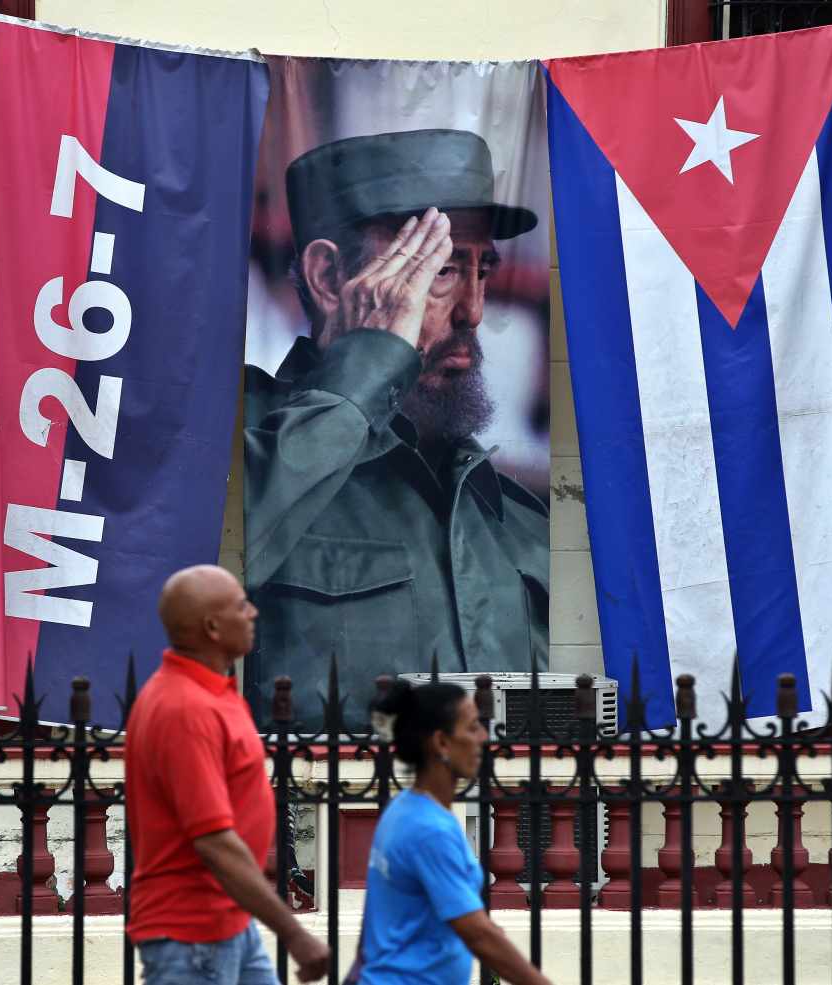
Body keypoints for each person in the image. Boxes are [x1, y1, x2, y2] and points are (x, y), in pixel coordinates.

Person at [244, 128, 551, 727]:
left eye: (481, 269)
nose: (473, 310)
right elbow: (184, 576)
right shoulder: (242, 440)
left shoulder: (514, 515)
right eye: (438, 271)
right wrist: (372, 359)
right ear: (329, 278)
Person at [126, 564, 330, 985]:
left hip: (227, 922)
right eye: (242, 605)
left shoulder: (212, 693)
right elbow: (213, 841)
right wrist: (293, 933)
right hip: (193, 933)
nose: (253, 613)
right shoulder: (184, 708)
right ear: (213, 627)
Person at [354, 680, 553, 985]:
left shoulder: (404, 809)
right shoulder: (429, 830)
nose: (484, 737)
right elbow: (478, 934)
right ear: (442, 743)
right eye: (473, 727)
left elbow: (382, 917)